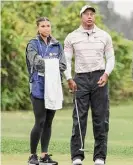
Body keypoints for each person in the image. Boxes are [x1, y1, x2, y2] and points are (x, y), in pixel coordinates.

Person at [63, 5, 115, 165]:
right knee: (79, 118)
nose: (90, 17)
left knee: (101, 119)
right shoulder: (71, 37)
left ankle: (100, 157)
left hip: (100, 77)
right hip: (80, 79)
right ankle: (77, 156)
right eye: (86, 14)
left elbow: (111, 58)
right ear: (81, 17)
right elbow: (66, 59)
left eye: (92, 14)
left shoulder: (104, 36)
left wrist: (106, 73)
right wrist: (69, 78)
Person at [25, 17, 66, 165]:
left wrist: (49, 64)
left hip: (54, 87)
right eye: (43, 26)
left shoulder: (57, 45)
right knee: (40, 121)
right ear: (38, 28)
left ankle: (44, 155)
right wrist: (52, 64)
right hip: (38, 86)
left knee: (48, 122)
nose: (46, 28)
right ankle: (32, 155)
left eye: (48, 25)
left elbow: (63, 65)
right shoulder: (33, 44)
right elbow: (35, 62)